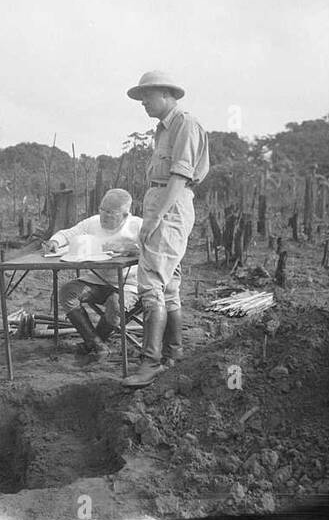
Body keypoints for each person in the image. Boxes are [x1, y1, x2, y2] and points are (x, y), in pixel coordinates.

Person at [122, 70, 210, 388]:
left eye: (147, 95)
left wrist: (156, 217)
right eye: (141, 97)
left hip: (169, 208)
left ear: (167, 95)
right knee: (169, 284)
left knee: (150, 285)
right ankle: (174, 352)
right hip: (162, 203)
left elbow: (180, 178)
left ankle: (150, 362)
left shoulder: (185, 124)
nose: (143, 102)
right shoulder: (163, 129)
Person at [43, 188, 142, 360]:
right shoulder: (93, 222)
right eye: (102, 210)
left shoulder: (138, 226)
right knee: (68, 292)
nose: (104, 216)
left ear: (125, 215)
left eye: (110, 213)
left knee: (115, 304)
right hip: (96, 280)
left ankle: (93, 343)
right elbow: (69, 233)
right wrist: (55, 241)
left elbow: (156, 250)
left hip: (128, 284)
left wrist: (134, 249)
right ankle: (98, 345)